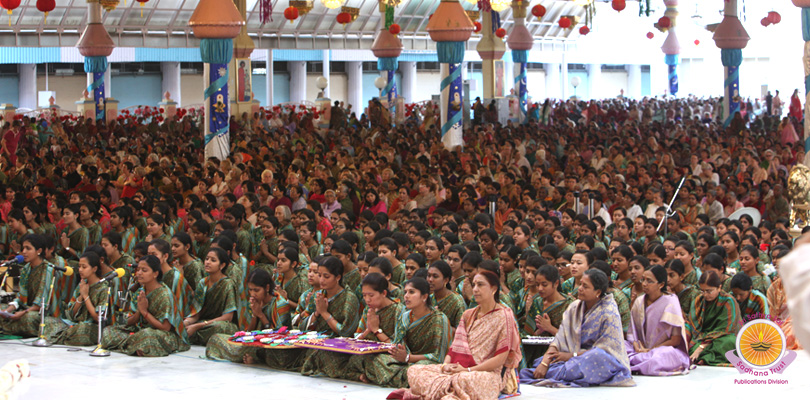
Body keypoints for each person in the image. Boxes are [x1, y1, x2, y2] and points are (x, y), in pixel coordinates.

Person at [394, 270, 521, 400]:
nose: (475, 289)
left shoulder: (504, 315)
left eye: (480, 285)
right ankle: (449, 390)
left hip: (483, 373)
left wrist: (469, 370)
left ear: (494, 288)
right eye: (474, 285)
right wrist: (445, 366)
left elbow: (501, 358)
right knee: (415, 371)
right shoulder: (468, 314)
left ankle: (442, 390)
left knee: (463, 379)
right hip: (458, 368)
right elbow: (454, 349)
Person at [520, 269, 634, 387]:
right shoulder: (575, 306)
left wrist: (571, 356)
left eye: (585, 286)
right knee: (544, 361)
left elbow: (607, 350)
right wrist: (545, 362)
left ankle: (557, 373)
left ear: (598, 292)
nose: (579, 288)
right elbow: (560, 338)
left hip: (597, 360)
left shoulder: (609, 312)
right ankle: (558, 371)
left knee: (597, 356)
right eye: (580, 284)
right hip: (573, 357)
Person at [346, 277, 450, 387]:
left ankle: (389, 377)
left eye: (411, 292)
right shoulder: (405, 317)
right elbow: (396, 345)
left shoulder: (439, 319)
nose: (406, 296)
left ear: (424, 297)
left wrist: (409, 358)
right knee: (376, 360)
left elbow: (439, 356)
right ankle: (405, 379)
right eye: (405, 292)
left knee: (417, 369)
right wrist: (400, 355)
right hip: (404, 362)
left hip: (426, 363)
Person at [301, 272, 404, 380]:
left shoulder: (398, 310)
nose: (367, 300)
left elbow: (397, 347)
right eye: (364, 295)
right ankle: (360, 375)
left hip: (383, 356)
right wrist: (368, 331)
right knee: (325, 354)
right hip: (364, 353)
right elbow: (357, 338)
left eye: (371, 295)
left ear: (383, 293)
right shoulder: (368, 310)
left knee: (377, 362)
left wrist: (377, 331)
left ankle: (356, 374)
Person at [101, 255, 190, 356]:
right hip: (140, 331)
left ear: (155, 274)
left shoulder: (165, 294)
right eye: (138, 269)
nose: (139, 273)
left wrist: (144, 312)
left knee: (146, 335)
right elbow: (128, 322)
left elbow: (165, 328)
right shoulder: (140, 292)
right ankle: (135, 344)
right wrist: (139, 311)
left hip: (162, 335)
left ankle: (133, 343)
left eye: (144, 270)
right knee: (108, 331)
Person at [206, 268, 291, 362]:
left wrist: (261, 315)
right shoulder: (257, 301)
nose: (253, 294)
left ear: (267, 288)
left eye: (256, 290)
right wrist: (255, 314)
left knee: (263, 353)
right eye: (250, 290)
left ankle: (256, 358)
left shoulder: (280, 304)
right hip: (257, 342)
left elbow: (278, 337)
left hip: (274, 347)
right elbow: (250, 332)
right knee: (215, 338)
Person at [624, 265, 690, 376]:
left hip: (661, 351)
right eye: (643, 279)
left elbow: (675, 340)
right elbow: (632, 332)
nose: (644, 284)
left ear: (661, 284)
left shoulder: (671, 301)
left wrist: (651, 350)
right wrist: (636, 345)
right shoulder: (639, 301)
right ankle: (640, 362)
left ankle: (638, 363)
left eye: (649, 281)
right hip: (640, 350)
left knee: (657, 358)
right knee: (620, 347)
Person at [0, 234, 63, 338]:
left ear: (39, 251)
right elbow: (20, 295)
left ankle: (8, 326)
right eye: (23, 248)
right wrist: (9, 310)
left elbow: (41, 304)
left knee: (28, 318)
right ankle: (13, 325)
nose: (24, 252)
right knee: (2, 308)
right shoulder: (26, 269)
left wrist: (23, 312)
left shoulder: (48, 270)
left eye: (28, 248)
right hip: (25, 309)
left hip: (42, 313)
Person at [50, 252, 109, 346]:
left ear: (94, 268)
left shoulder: (104, 288)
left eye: (84, 267)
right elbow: (71, 313)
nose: (80, 270)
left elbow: (98, 318)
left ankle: (60, 336)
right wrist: (81, 296)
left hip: (92, 328)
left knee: (82, 331)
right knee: (48, 321)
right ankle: (64, 335)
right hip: (75, 324)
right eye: (79, 266)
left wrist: (86, 296)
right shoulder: (82, 284)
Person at [183, 247, 239, 345]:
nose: (208, 262)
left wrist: (199, 326)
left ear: (222, 265)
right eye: (207, 259)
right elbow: (196, 314)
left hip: (220, 324)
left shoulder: (228, 284)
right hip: (204, 323)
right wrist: (186, 323)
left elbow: (228, 317)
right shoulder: (202, 283)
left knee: (221, 328)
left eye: (213, 260)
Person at [686, 271, 741, 366]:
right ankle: (706, 357)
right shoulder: (698, 301)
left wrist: (702, 347)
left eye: (709, 291)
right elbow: (691, 325)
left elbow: (726, 329)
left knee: (730, 343)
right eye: (702, 291)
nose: (705, 294)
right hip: (702, 337)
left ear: (719, 288)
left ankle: (704, 357)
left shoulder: (728, 301)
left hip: (723, 337)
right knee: (692, 347)